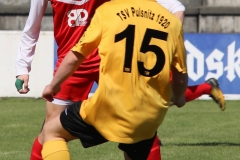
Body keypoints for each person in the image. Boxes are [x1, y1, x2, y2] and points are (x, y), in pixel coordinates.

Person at [40, 0, 188, 159]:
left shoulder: (107, 11)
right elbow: (180, 76)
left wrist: (53, 85)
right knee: (137, 147)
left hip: (109, 107)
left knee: (51, 132)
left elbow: (76, 56)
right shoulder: (172, 22)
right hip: (149, 115)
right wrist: (178, 97)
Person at [14, 0, 162, 159]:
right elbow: (32, 27)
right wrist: (23, 68)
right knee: (49, 130)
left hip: (108, 61)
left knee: (138, 125)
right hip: (70, 64)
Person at [157, 0, 225, 110]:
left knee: (163, 97)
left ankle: (207, 87)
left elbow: (178, 12)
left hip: (160, 55)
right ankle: (208, 87)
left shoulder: (169, 4)